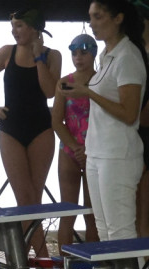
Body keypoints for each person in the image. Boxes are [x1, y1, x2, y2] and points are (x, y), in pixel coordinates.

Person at [63, 1, 148, 244]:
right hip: (97, 152)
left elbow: (130, 114)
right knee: (104, 232)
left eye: (98, 17)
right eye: (90, 17)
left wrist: (88, 93)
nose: (91, 23)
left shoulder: (128, 57)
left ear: (118, 18)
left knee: (120, 233)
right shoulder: (106, 55)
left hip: (118, 155)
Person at [0, 9, 61, 258]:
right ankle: (41, 258)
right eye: (13, 26)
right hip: (11, 129)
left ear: (35, 28)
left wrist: (39, 57)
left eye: (19, 26)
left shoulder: (53, 55)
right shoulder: (7, 52)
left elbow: (50, 92)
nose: (14, 31)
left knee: (33, 196)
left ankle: (21, 258)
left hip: (41, 129)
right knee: (24, 196)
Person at [52, 34, 100, 246]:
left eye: (83, 53)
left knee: (93, 216)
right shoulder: (64, 83)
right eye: (74, 53)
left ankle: (95, 266)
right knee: (67, 214)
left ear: (94, 54)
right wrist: (76, 148)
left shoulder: (101, 82)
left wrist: (88, 150)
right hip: (69, 151)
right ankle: (64, 266)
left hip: (95, 152)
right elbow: (56, 122)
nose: (78, 57)